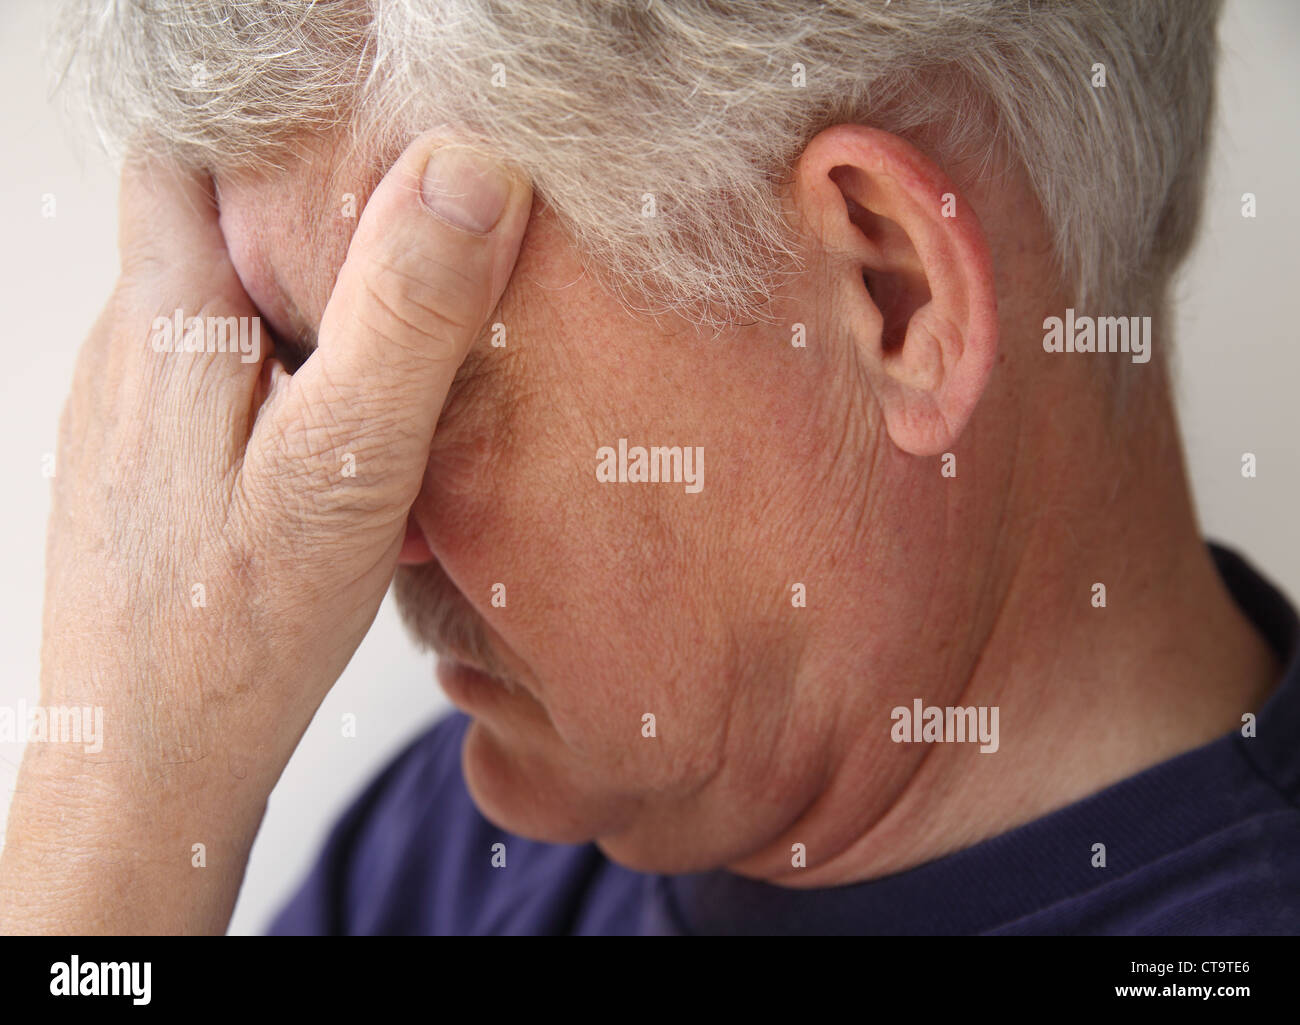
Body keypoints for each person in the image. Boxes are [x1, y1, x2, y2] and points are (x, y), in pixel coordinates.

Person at [2, 0, 1296, 935]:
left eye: (427, 375)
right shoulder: (452, 852)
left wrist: (110, 818)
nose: (317, 538)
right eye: (297, 358)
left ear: (891, 294)